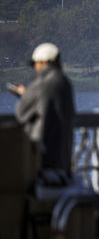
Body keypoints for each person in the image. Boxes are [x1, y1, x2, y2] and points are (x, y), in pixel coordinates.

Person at [11, 42, 76, 176]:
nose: (35, 67)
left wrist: (24, 95)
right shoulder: (65, 82)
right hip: (63, 156)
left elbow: (21, 113)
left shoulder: (41, 83)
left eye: (35, 64)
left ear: (43, 62)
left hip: (42, 154)